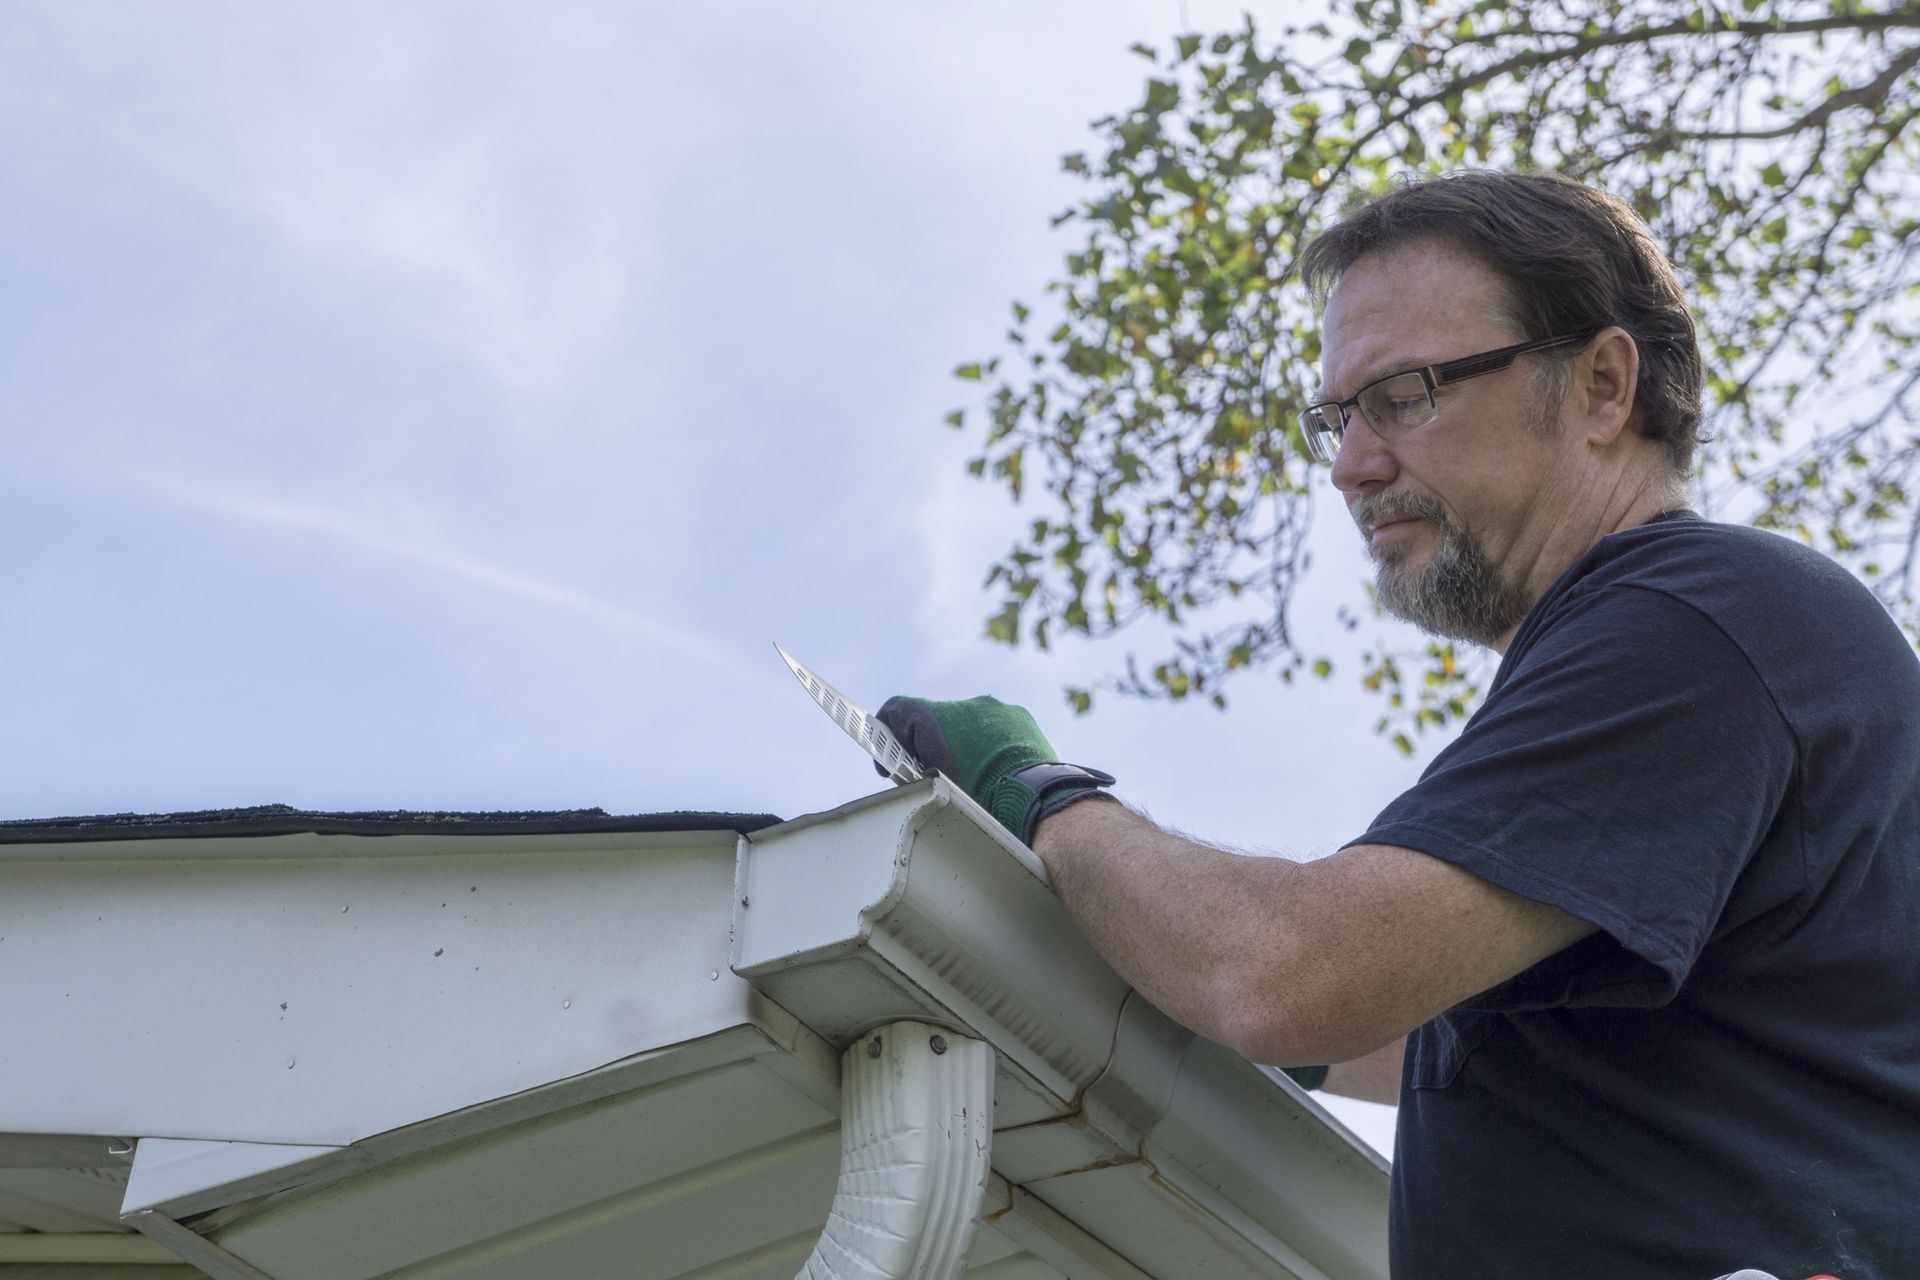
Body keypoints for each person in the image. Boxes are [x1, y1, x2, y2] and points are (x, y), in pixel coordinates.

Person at [879, 171, 1920, 1280]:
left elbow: (1288, 973)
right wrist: (1166, 978)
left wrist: (1040, 795)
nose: (1350, 466)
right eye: (1336, 416)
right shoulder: (1699, 668)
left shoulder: (1702, 613)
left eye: (1407, 394)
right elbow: (1414, 1022)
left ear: (1604, 385)